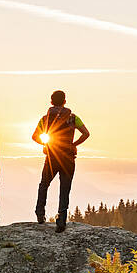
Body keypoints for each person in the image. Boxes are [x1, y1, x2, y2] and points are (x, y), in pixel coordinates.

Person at [32, 90, 90, 232]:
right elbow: (86, 133)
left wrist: (46, 144)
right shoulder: (73, 117)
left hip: (52, 156)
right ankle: (61, 221)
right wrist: (73, 144)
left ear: (51, 102)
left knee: (44, 184)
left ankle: (40, 214)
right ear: (65, 101)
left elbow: (35, 137)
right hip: (68, 157)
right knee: (65, 188)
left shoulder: (45, 119)